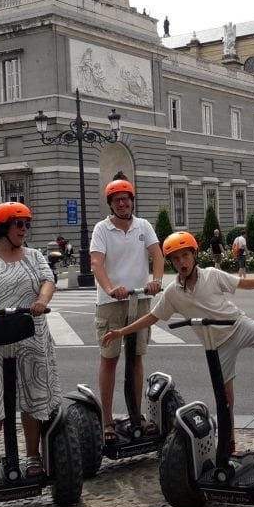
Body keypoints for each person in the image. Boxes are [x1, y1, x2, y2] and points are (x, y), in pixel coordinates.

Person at [101, 231, 254, 449]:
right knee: (226, 399)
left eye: (185, 256)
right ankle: (229, 445)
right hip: (217, 346)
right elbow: (152, 317)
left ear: (194, 255)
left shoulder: (212, 275)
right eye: (175, 259)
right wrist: (122, 332)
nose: (181, 262)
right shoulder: (173, 293)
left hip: (238, 325)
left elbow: (245, 284)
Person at [0, 201, 59, 484]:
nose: (25, 230)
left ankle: (33, 456)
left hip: (31, 333)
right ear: (3, 227)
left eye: (28, 224)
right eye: (19, 224)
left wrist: (41, 301)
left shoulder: (34, 256)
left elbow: (47, 279)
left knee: (33, 394)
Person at [90, 178, 164, 444]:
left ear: (132, 201)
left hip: (141, 299)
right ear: (111, 204)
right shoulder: (102, 229)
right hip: (111, 303)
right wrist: (110, 288)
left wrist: (156, 281)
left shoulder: (143, 226)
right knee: (109, 358)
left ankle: (137, 416)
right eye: (117, 200)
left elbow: (158, 254)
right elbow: (97, 263)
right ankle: (107, 420)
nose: (123, 203)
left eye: (126, 198)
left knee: (137, 357)